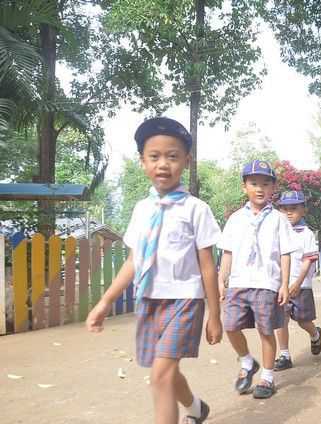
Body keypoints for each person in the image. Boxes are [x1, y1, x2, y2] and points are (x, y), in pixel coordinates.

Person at [86, 117, 221, 424]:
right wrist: (105, 302)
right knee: (165, 373)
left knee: (160, 376)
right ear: (142, 162)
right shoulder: (142, 209)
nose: (163, 164)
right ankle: (196, 408)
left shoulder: (196, 209)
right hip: (149, 300)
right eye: (154, 156)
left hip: (185, 300)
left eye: (172, 156)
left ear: (186, 161)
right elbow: (134, 261)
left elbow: (207, 266)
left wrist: (214, 315)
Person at [218, 160, 297, 400]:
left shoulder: (279, 219)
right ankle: (246, 361)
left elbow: (285, 253)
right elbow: (228, 252)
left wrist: (284, 284)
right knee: (230, 326)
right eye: (254, 183)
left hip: (266, 283)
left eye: (265, 184)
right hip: (239, 282)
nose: (260, 188)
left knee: (265, 330)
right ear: (245, 187)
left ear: (273, 188)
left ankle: (267, 377)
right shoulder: (235, 219)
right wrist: (222, 279)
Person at [273, 191, 321, 371]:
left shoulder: (306, 234)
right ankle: (284, 355)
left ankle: (315, 334)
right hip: (280, 286)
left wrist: (297, 283)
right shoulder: (276, 232)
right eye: (284, 209)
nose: (288, 212)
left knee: (303, 320)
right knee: (281, 319)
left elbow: (307, 261)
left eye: (293, 208)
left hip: (301, 285)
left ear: (303, 210)